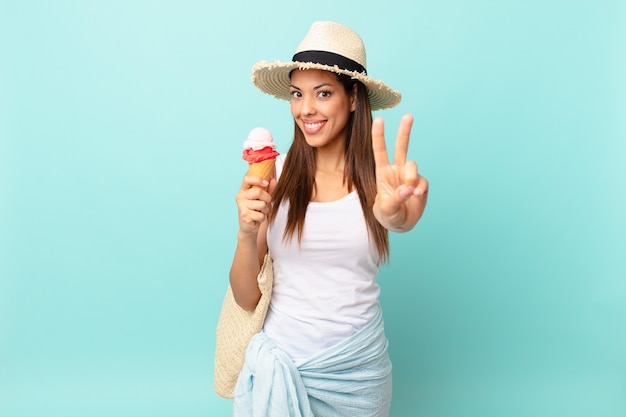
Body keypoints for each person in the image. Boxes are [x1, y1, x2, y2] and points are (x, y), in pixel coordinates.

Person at [229, 21, 429, 417]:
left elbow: (400, 218)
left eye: (323, 93)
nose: (306, 109)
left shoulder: (383, 179)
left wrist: (399, 212)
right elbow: (246, 297)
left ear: (353, 98)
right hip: (281, 368)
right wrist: (245, 232)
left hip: (356, 374)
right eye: (297, 94)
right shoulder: (276, 174)